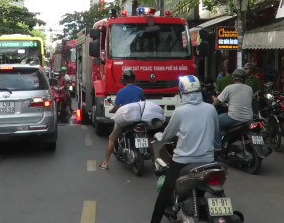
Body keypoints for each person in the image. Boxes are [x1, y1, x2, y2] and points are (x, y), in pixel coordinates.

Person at [150, 75, 220, 223]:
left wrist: (158, 135)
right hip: (208, 160)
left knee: (165, 191)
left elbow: (167, 135)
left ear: (182, 92)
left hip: (183, 161)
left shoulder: (180, 111)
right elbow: (216, 134)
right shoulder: (211, 109)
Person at [99, 69, 145, 170]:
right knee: (146, 137)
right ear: (134, 79)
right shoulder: (140, 91)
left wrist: (111, 110)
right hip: (137, 119)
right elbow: (143, 103)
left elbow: (116, 108)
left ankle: (106, 162)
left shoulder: (121, 92)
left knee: (112, 139)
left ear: (124, 80)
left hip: (125, 120)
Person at [213, 68, 254, 135]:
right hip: (249, 118)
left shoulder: (229, 88)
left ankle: (218, 143)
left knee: (216, 121)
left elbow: (217, 101)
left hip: (234, 118)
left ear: (233, 77)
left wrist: (211, 106)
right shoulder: (250, 89)